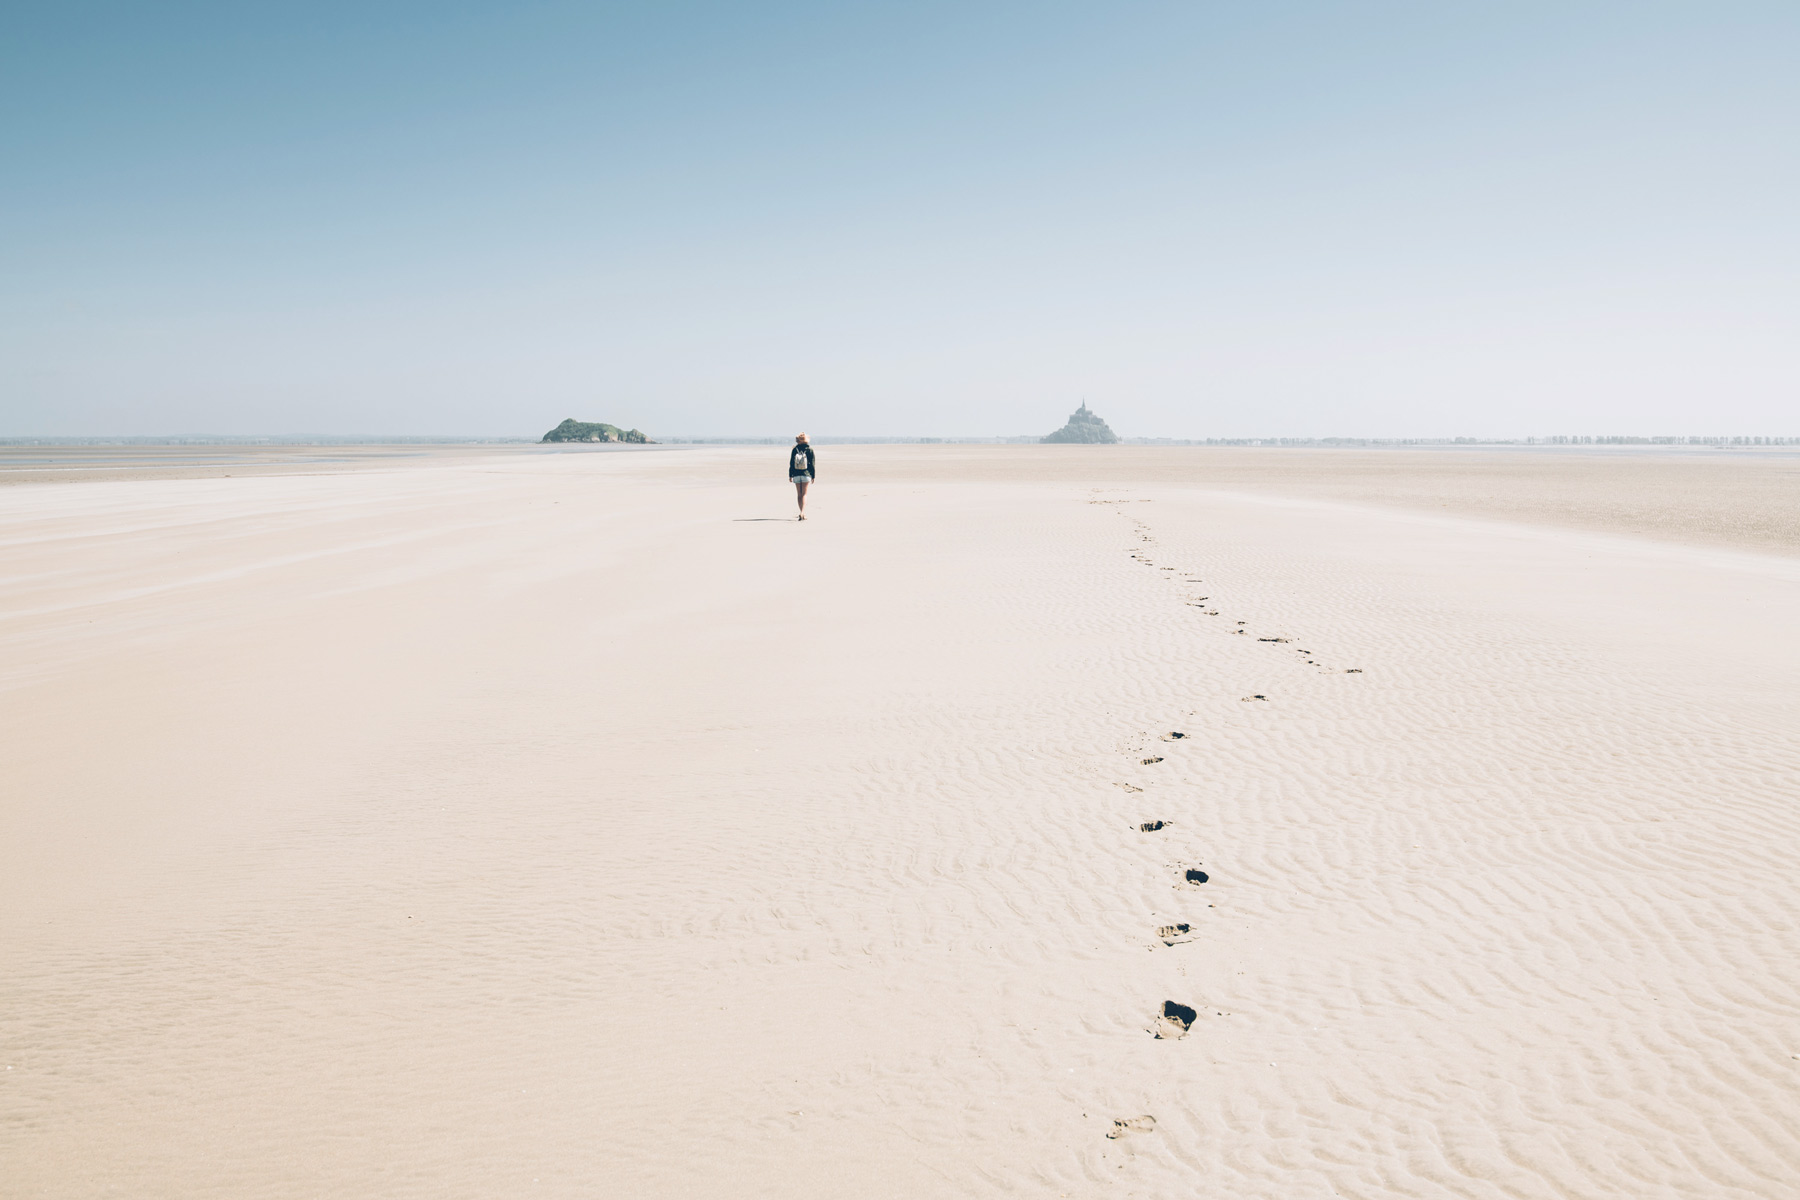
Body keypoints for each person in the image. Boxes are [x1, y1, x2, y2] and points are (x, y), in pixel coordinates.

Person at [788, 433, 816, 520]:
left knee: (799, 494)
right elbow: (812, 464)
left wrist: (790, 475)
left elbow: (791, 463)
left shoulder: (794, 449)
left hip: (796, 474)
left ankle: (801, 512)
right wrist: (813, 476)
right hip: (806, 474)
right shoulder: (810, 450)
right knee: (804, 494)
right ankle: (802, 512)